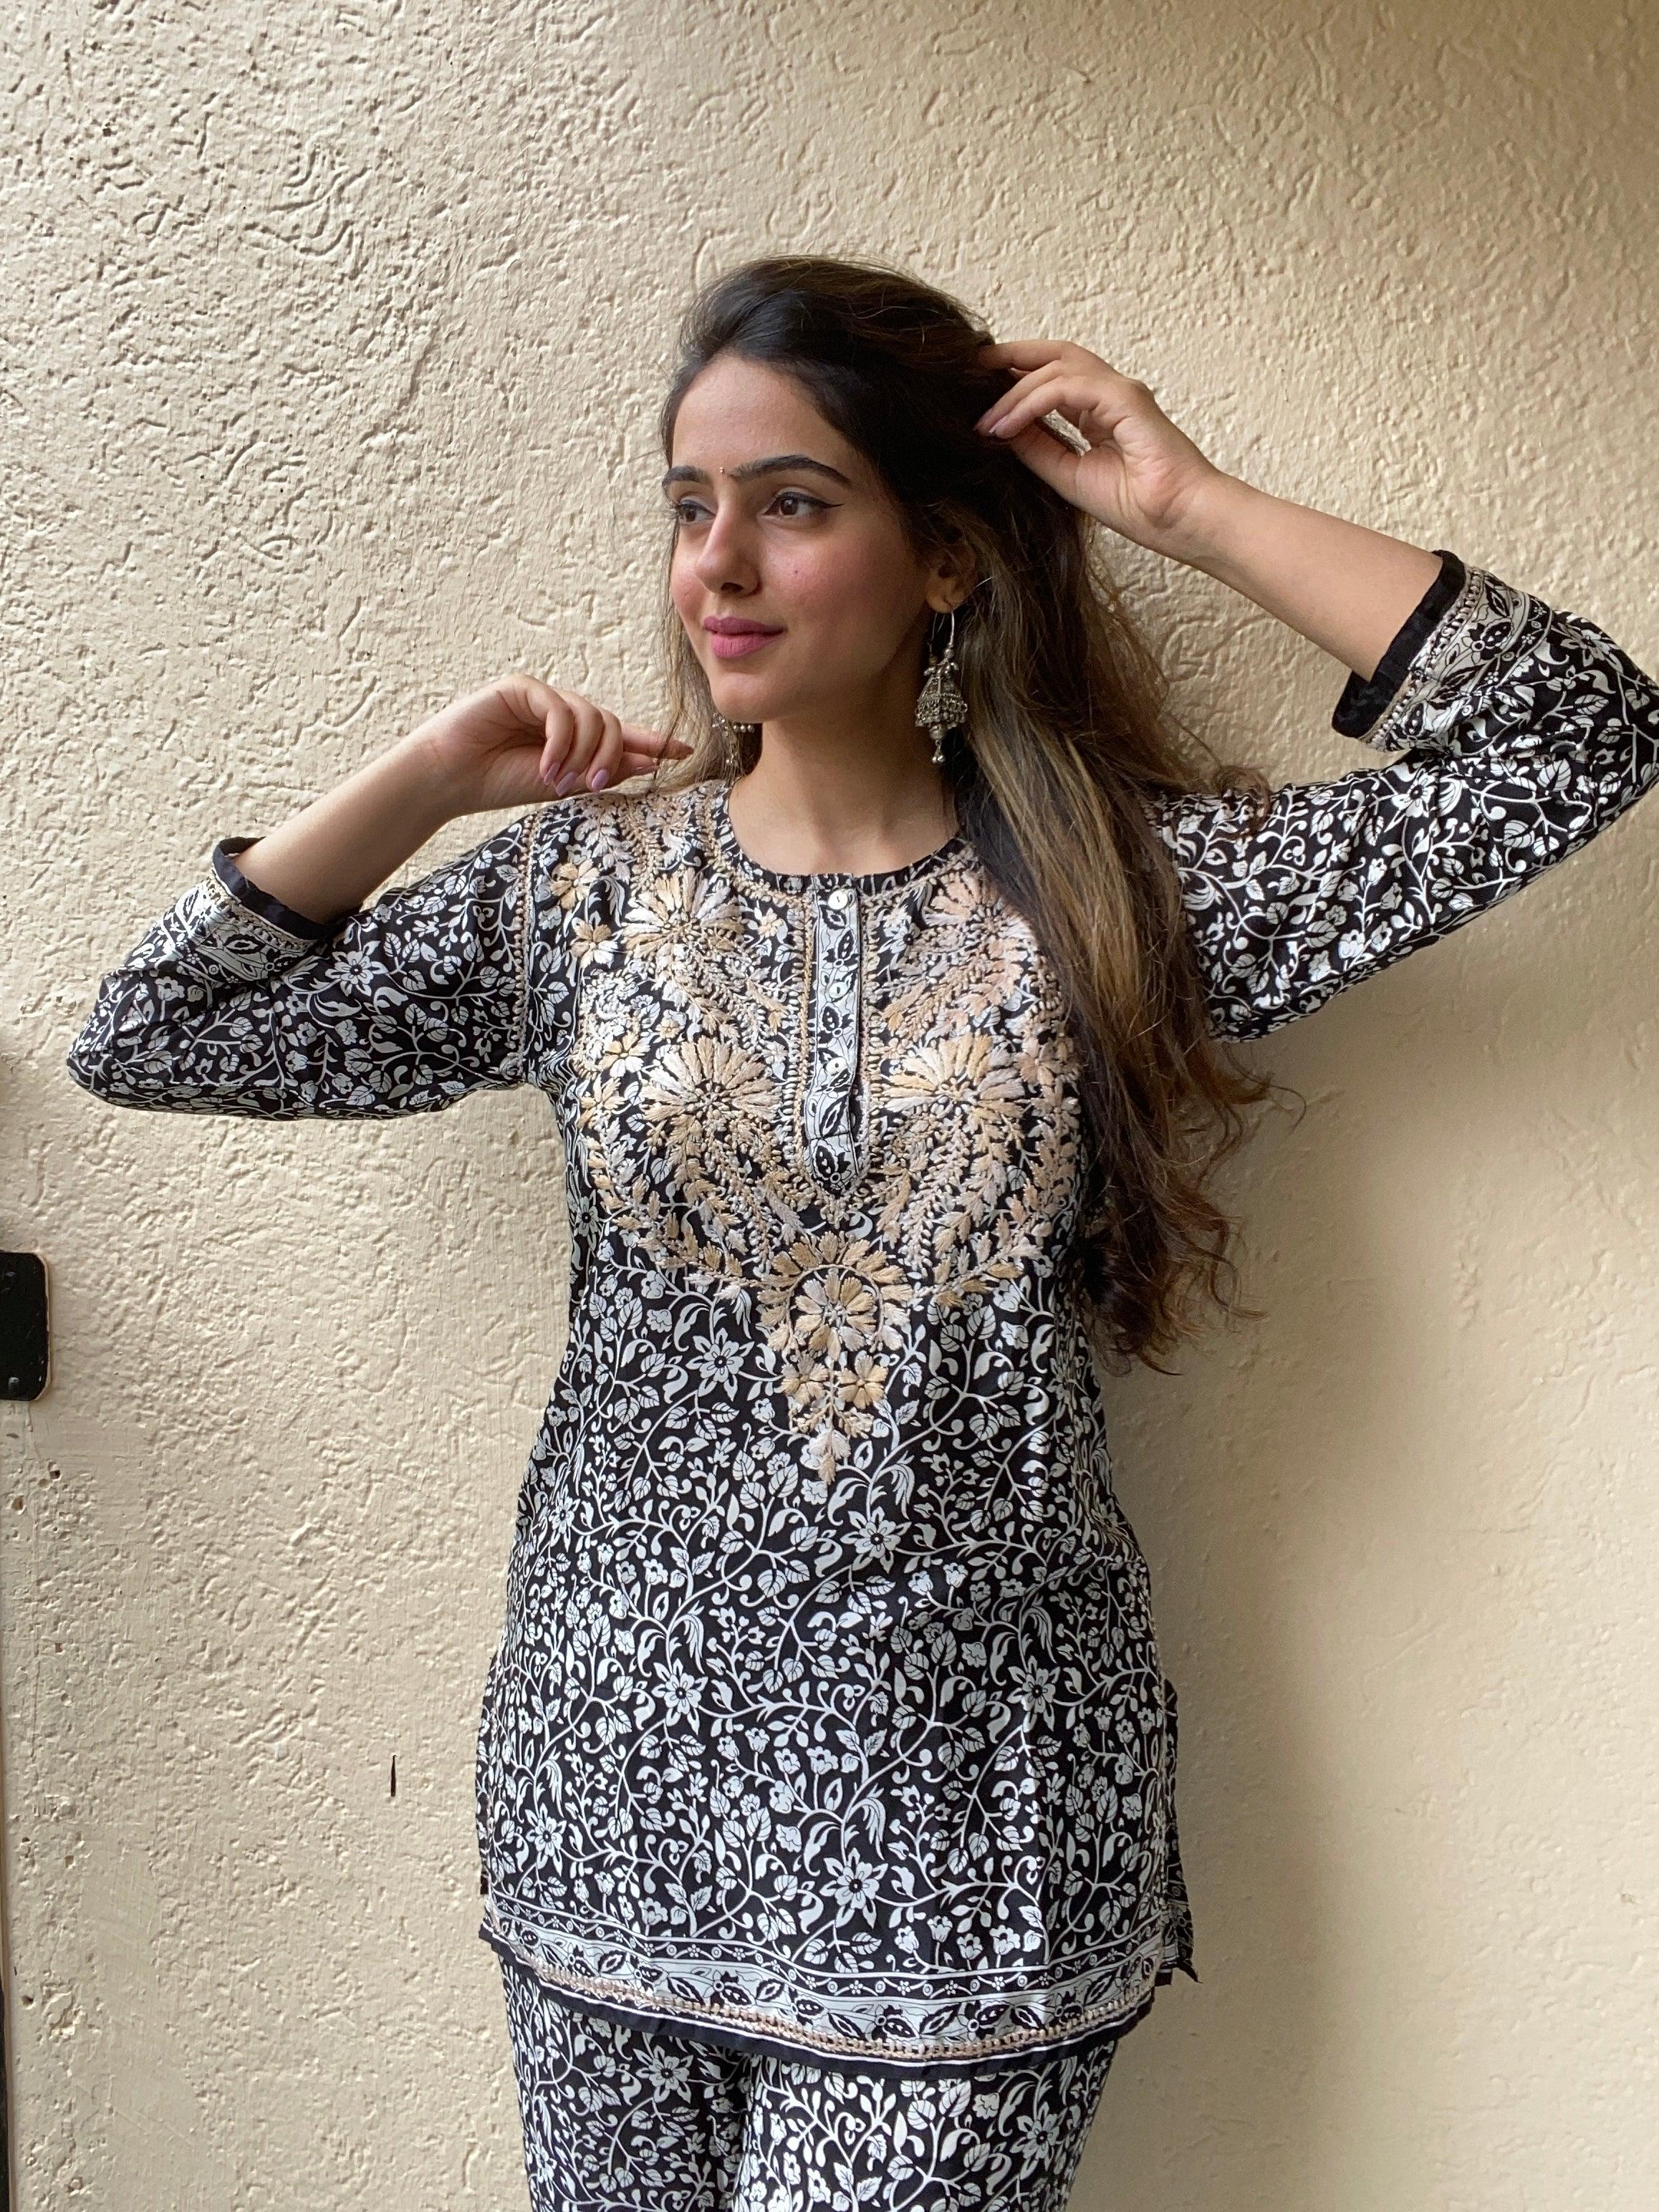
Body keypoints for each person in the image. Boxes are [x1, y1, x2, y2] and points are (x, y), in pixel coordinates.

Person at [66, 254, 1659, 2211]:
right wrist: (428, 781)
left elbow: (1575, 739)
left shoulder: (1117, 892)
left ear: (948, 559)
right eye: (689, 507)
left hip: (970, 1852)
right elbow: (154, 1039)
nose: (718, 565)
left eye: (793, 503)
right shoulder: (574, 896)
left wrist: (1185, 506)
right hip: (610, 1813)